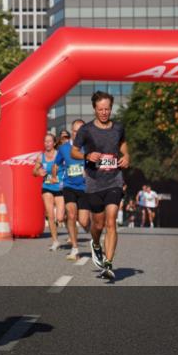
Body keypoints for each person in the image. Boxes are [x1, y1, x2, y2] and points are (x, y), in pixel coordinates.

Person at [72, 91, 129, 280]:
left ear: (111, 108)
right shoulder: (86, 130)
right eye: (101, 109)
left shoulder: (118, 128)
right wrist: (86, 156)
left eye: (107, 109)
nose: (104, 112)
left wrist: (126, 156)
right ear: (94, 109)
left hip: (114, 180)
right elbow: (74, 152)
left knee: (111, 220)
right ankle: (95, 243)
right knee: (98, 223)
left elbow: (123, 145)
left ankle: (108, 263)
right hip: (94, 182)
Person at [54, 119, 90, 260]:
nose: (77, 134)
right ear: (71, 131)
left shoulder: (88, 148)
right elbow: (56, 164)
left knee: (84, 221)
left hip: (85, 187)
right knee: (70, 214)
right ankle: (75, 248)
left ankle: (94, 235)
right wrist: (55, 176)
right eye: (74, 131)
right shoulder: (63, 148)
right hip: (69, 186)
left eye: (80, 131)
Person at [32, 132, 64, 251]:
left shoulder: (60, 155)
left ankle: (65, 222)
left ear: (54, 143)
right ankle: (55, 241)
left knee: (60, 217)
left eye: (49, 141)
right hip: (47, 187)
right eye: (45, 141)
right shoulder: (41, 156)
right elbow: (34, 171)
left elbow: (67, 167)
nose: (47, 144)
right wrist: (38, 172)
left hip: (60, 187)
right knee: (50, 215)